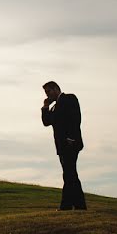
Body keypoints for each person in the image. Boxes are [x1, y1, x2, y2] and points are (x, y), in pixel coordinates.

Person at [41, 81, 87, 210]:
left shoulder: (69, 98)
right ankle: (79, 205)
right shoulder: (54, 107)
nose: (47, 94)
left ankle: (66, 205)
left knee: (69, 173)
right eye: (46, 93)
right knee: (70, 173)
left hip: (71, 143)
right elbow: (46, 122)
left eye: (48, 91)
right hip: (61, 146)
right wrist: (45, 106)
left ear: (56, 89)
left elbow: (76, 118)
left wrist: (71, 138)